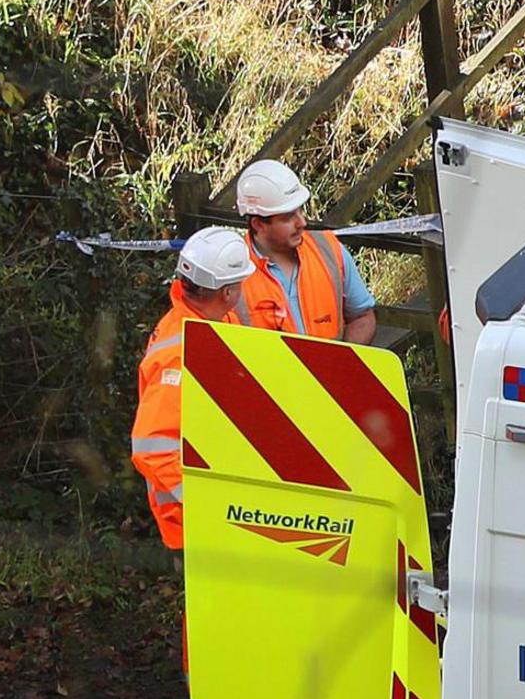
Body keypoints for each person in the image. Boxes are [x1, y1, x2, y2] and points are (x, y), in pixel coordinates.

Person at [135, 228, 256, 549]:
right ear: (228, 293)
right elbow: (152, 447)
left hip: (216, 513)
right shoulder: (178, 354)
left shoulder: (211, 322)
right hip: (190, 523)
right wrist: (211, 504)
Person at [233, 161, 376, 347]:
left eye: (300, 211)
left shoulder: (330, 250)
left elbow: (363, 317)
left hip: (330, 374)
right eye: (288, 217)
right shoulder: (230, 271)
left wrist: (343, 363)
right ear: (258, 225)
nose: (302, 222)